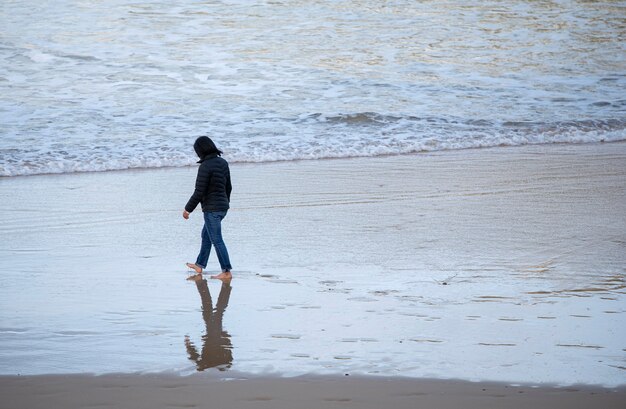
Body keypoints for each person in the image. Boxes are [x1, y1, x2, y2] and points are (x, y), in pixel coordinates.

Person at [183, 136, 233, 281]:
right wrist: (225, 203)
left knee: (217, 240)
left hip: (212, 209)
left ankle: (226, 271)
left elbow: (199, 191)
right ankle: (200, 264)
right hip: (222, 207)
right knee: (206, 235)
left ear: (200, 151)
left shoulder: (205, 166)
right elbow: (228, 186)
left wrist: (188, 209)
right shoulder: (223, 163)